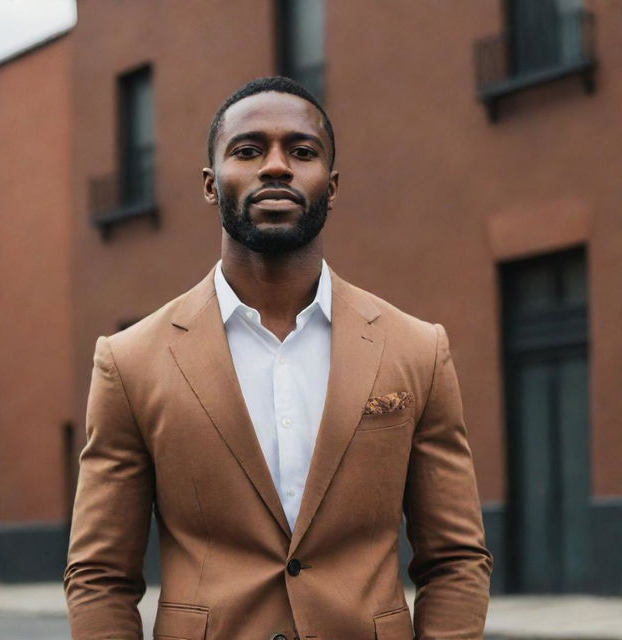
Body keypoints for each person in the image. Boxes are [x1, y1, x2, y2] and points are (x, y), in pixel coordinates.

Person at [64, 76, 492, 640]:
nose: (275, 167)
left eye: (301, 151)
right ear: (210, 185)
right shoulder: (131, 362)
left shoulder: (416, 349)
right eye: (247, 150)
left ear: (331, 186)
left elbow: (456, 559)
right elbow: (99, 576)